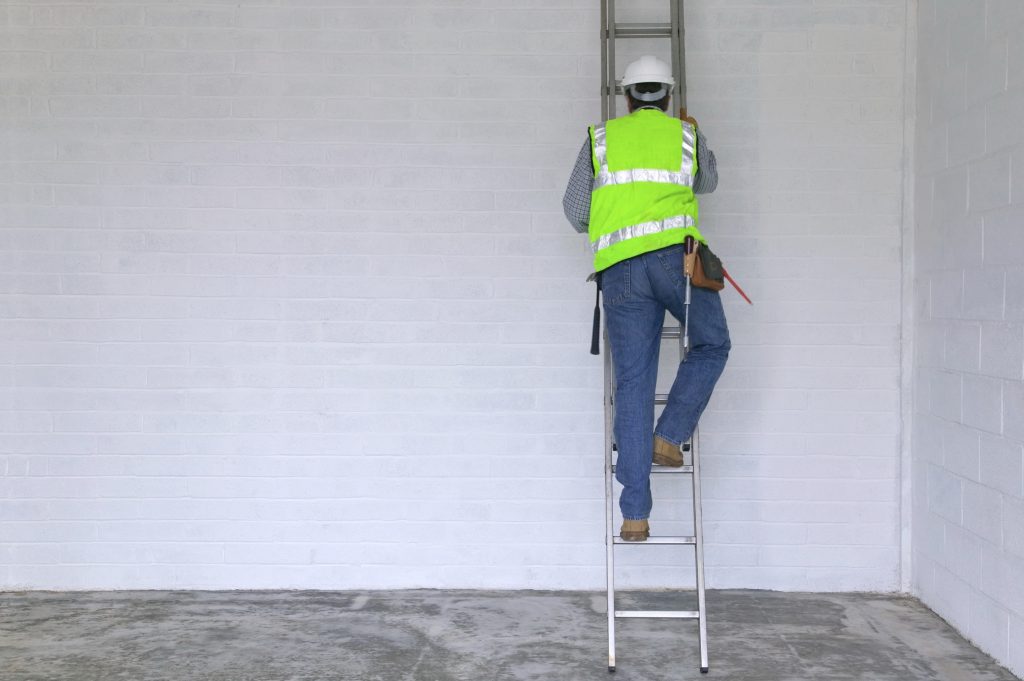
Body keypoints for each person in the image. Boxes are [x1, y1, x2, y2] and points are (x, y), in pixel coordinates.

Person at [562, 55, 730, 542]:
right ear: (669, 96)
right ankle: (670, 436)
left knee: (633, 386)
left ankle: (634, 516)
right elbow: (709, 182)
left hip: (619, 273)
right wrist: (697, 135)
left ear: (627, 96)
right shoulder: (684, 136)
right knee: (712, 345)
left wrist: (616, 219)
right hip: (676, 264)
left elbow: (575, 213)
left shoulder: (600, 139)